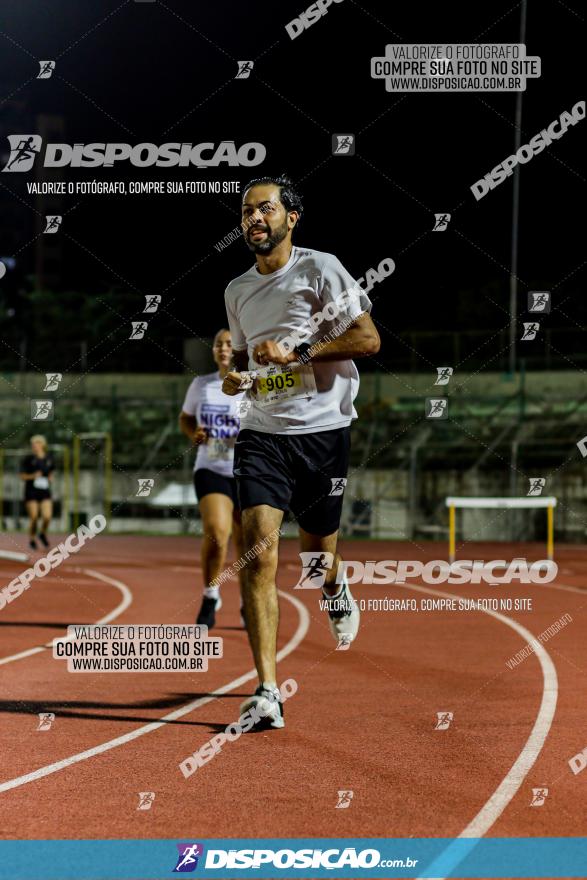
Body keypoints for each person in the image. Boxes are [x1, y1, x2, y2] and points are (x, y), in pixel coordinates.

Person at [222, 174, 380, 729]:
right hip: (263, 435)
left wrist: (300, 351)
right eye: (246, 212)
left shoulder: (321, 268)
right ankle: (267, 690)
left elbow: (367, 339)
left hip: (322, 433)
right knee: (259, 551)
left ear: (292, 217)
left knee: (317, 560)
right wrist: (236, 378)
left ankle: (335, 588)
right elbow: (241, 363)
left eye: (265, 209)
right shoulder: (237, 291)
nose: (253, 219)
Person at [179, 329, 246, 628]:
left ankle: (249, 602)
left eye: (230, 344)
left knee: (249, 547)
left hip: (247, 471)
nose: (223, 348)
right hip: (211, 467)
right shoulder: (202, 385)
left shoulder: (251, 385)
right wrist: (194, 433)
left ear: (239, 349)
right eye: (218, 343)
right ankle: (210, 595)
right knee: (218, 534)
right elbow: (186, 418)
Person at [20, 435, 55, 550]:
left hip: (44, 491)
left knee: (47, 516)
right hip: (31, 492)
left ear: (42, 445)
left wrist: (50, 478)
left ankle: (42, 533)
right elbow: (22, 476)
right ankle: (32, 539)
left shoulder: (49, 458)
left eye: (37, 444)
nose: (35, 446)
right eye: (33, 444)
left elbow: (50, 472)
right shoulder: (28, 459)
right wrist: (33, 476)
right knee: (34, 517)